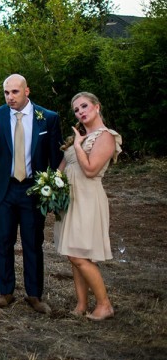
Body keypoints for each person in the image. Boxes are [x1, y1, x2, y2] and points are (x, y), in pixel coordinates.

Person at [0, 74, 62, 314]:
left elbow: (56, 158)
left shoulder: (47, 118)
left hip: (33, 189)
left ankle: (34, 295)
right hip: (3, 189)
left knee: (33, 242)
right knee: (3, 240)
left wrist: (53, 186)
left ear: (27, 91)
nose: (10, 98)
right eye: (6, 93)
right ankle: (5, 291)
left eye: (15, 92)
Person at [54, 91, 121, 321]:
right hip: (69, 200)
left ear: (97, 107)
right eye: (76, 110)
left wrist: (80, 145)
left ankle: (104, 305)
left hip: (88, 199)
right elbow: (61, 169)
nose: (80, 112)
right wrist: (50, 188)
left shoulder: (106, 136)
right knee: (73, 253)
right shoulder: (78, 137)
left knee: (80, 255)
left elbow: (90, 169)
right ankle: (81, 304)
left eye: (84, 106)